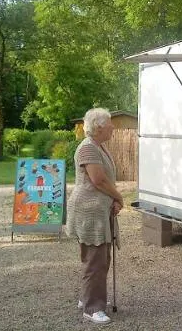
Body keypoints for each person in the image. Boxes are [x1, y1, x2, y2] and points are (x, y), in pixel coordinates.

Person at [66, 107, 123, 325]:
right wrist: (119, 197)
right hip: (90, 212)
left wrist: (114, 200)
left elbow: (104, 180)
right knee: (95, 261)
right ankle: (92, 308)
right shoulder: (88, 148)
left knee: (97, 258)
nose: (112, 127)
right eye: (109, 123)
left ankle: (87, 298)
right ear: (98, 127)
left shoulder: (98, 146)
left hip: (97, 210)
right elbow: (98, 180)